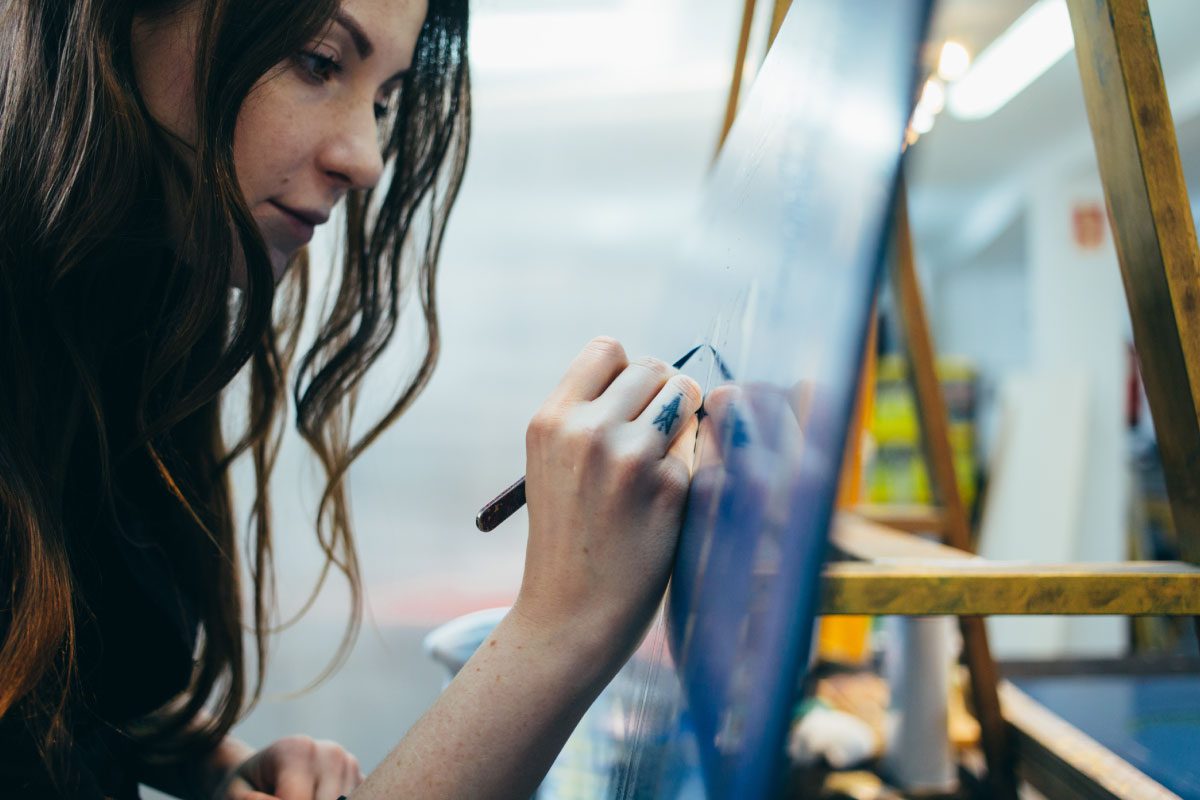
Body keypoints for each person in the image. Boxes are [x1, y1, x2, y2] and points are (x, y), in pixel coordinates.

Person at [0, 0, 704, 797]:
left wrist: (206, 763)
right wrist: (560, 627)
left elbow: (65, 677)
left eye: (384, 100)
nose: (367, 159)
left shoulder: (122, 305)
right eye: (318, 61)